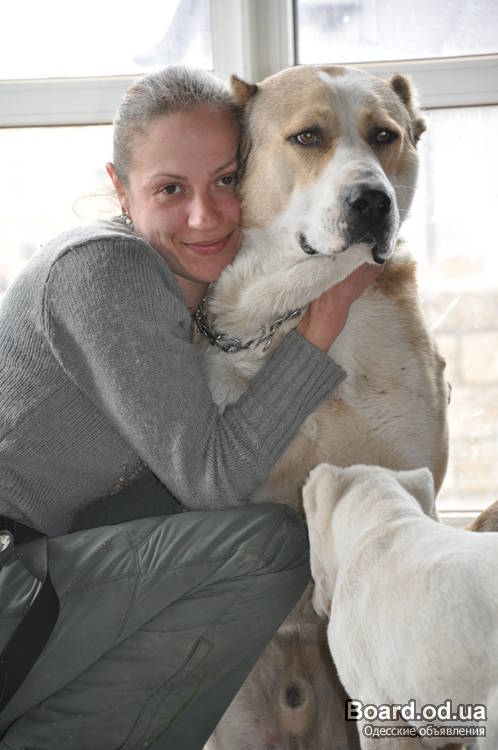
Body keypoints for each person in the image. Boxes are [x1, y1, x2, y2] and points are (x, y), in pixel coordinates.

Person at [0, 66, 382, 749]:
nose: (205, 216)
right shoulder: (108, 269)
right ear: (121, 190)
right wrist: (324, 322)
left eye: (226, 181)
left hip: (32, 562)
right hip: (10, 576)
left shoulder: (179, 285)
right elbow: (214, 481)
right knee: (271, 545)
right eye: (170, 189)